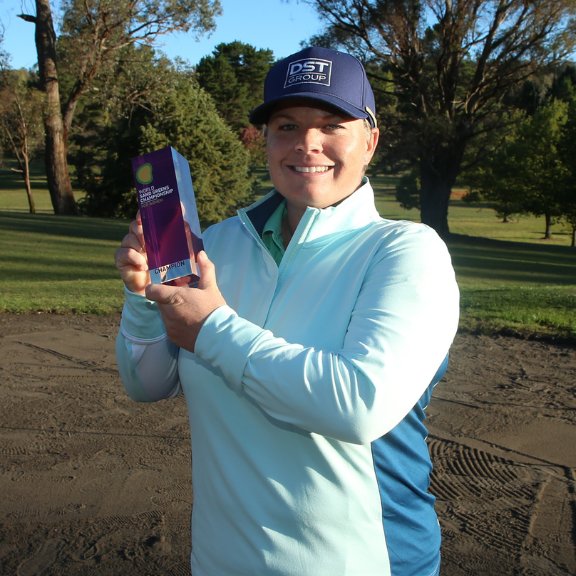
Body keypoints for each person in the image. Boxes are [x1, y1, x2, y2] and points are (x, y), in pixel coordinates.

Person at [115, 46, 459, 576]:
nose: (307, 144)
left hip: (364, 561)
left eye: (332, 124)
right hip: (220, 559)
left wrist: (210, 327)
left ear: (370, 140)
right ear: (266, 140)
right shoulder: (218, 245)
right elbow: (147, 383)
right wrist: (143, 298)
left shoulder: (406, 251)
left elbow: (357, 403)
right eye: (286, 125)